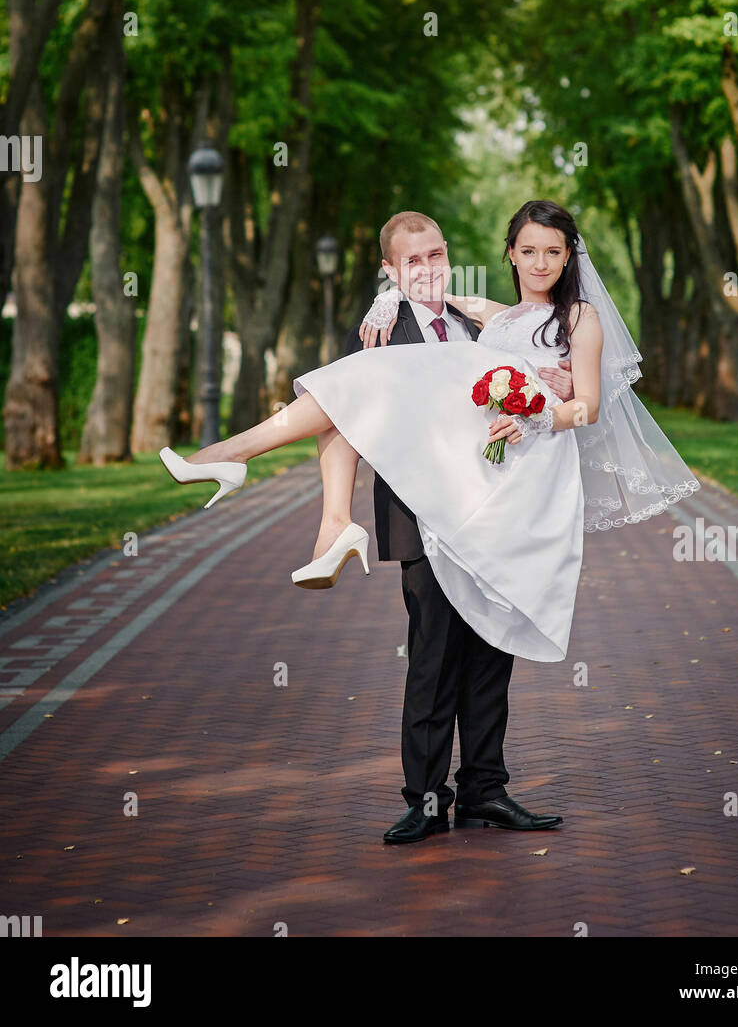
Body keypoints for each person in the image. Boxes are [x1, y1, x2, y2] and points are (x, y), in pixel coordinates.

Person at [159, 199, 701, 843]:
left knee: (491, 653)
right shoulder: (380, 329)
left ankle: (484, 791)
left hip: (505, 505)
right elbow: (347, 412)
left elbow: (570, 386)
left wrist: (552, 393)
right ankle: (423, 798)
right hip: (423, 515)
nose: (429, 269)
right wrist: (386, 300)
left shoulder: (490, 324)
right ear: (390, 270)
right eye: (411, 262)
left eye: (437, 256)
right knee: (431, 657)